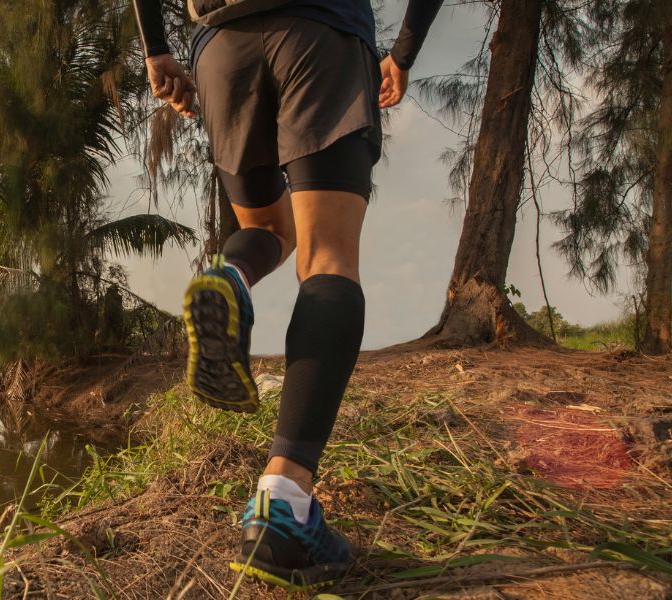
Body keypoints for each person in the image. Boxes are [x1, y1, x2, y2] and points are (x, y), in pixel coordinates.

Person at [132, 0, 444, 590]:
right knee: (327, 255)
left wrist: (155, 49)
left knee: (271, 229)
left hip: (222, 47)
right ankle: (286, 499)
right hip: (320, 32)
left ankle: (230, 277)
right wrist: (402, 53)